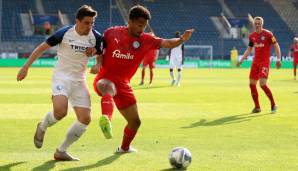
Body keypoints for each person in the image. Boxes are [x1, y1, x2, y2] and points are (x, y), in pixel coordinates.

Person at [90, 5, 194, 153]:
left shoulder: (147, 39)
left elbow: (167, 43)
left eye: (144, 26)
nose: (142, 29)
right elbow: (99, 49)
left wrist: (182, 39)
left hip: (124, 84)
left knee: (135, 122)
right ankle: (106, 119)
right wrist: (98, 63)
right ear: (130, 21)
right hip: (105, 78)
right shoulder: (111, 33)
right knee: (109, 87)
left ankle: (124, 148)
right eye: (140, 25)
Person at [17, 5, 102, 161]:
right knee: (61, 111)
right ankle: (42, 126)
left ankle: (61, 151)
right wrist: (26, 67)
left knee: (85, 119)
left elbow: (101, 53)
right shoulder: (64, 33)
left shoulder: (95, 36)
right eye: (86, 22)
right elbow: (41, 48)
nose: (89, 26)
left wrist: (98, 64)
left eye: (92, 23)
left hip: (79, 80)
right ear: (77, 21)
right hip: (61, 76)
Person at [237, 16, 281, 114]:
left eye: (259, 24)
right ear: (254, 24)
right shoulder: (252, 36)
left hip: (264, 62)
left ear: (262, 24)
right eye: (256, 24)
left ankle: (273, 104)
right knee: (252, 84)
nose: (257, 25)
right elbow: (249, 49)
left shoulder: (268, 34)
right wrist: (242, 60)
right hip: (255, 62)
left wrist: (278, 59)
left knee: (262, 84)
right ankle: (257, 107)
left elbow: (276, 45)